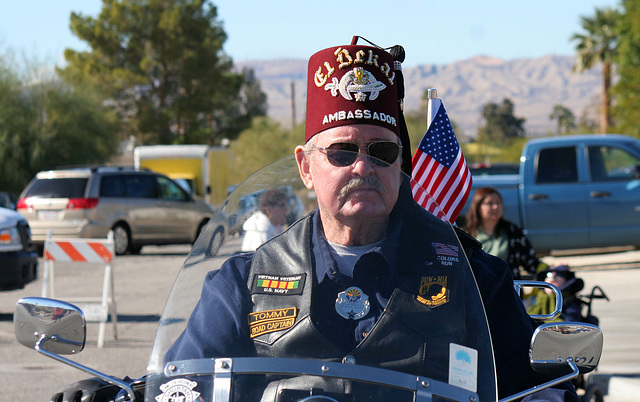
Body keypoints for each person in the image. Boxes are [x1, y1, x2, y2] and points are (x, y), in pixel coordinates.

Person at [51, 37, 578, 402]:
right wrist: (132, 391)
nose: (363, 167)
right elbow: (186, 380)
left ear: (405, 166)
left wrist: (551, 387)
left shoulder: (472, 278)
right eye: (342, 152)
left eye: (382, 152)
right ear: (306, 165)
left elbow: (533, 382)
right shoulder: (244, 282)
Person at [464, 186, 548, 279]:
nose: (495, 206)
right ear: (478, 207)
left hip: (508, 288)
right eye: (490, 203)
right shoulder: (466, 235)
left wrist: (552, 270)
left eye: (498, 203)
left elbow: (530, 262)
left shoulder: (513, 231)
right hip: (477, 290)